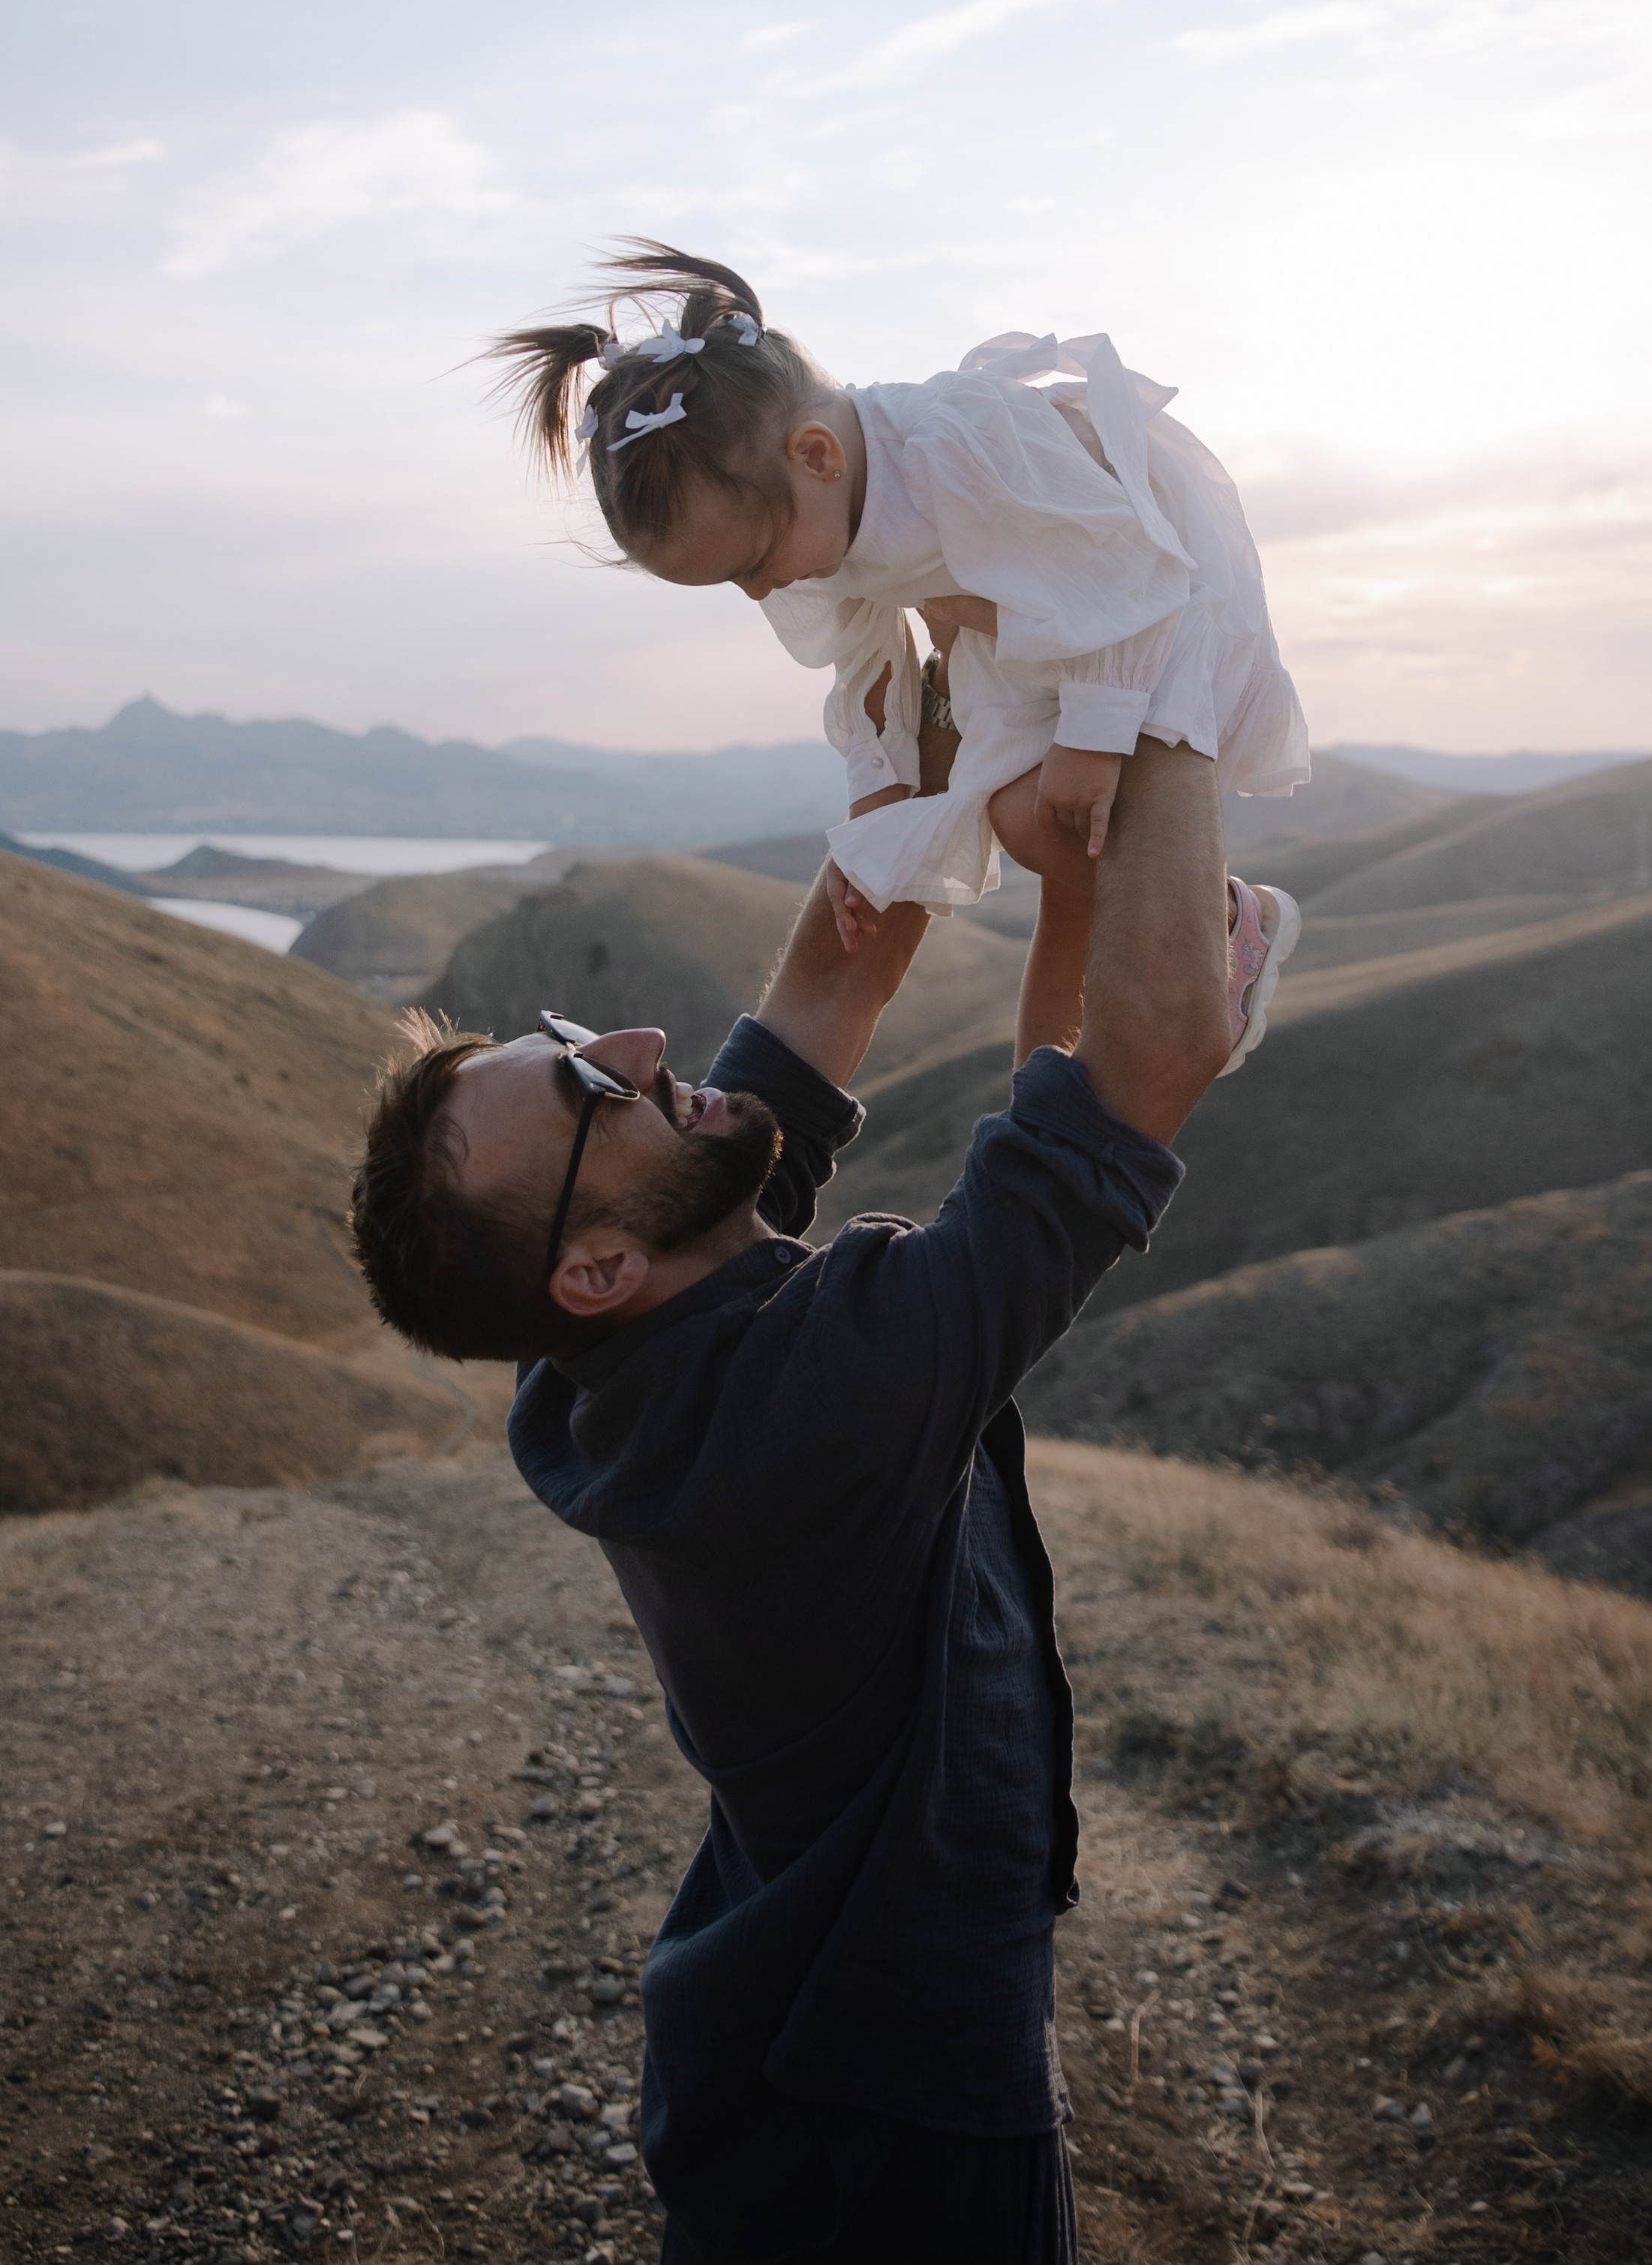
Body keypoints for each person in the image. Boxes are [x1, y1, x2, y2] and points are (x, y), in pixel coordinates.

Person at [348, 691, 1242, 2265]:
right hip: (891, 2103)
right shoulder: (810, 1410)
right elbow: (1155, 1047)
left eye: (568, 1042)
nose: (630, 1047)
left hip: (789, 2046)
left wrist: (998, 732)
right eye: (585, 1091)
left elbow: (839, 958)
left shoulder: (621, 1355)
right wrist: (1148, 665)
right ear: (597, 1263)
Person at [489, 241, 1306, 1074]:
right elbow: (865, 654)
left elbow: (1119, 561)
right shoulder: (810, 501)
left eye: (751, 563)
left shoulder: (953, 448)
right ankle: (1042, 1103)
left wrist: (1093, 735)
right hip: (1033, 632)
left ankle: (1220, 919)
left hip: (1143, 605)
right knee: (1066, 886)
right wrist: (874, 820)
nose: (757, 591)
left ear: (817, 455)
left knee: (1035, 822)